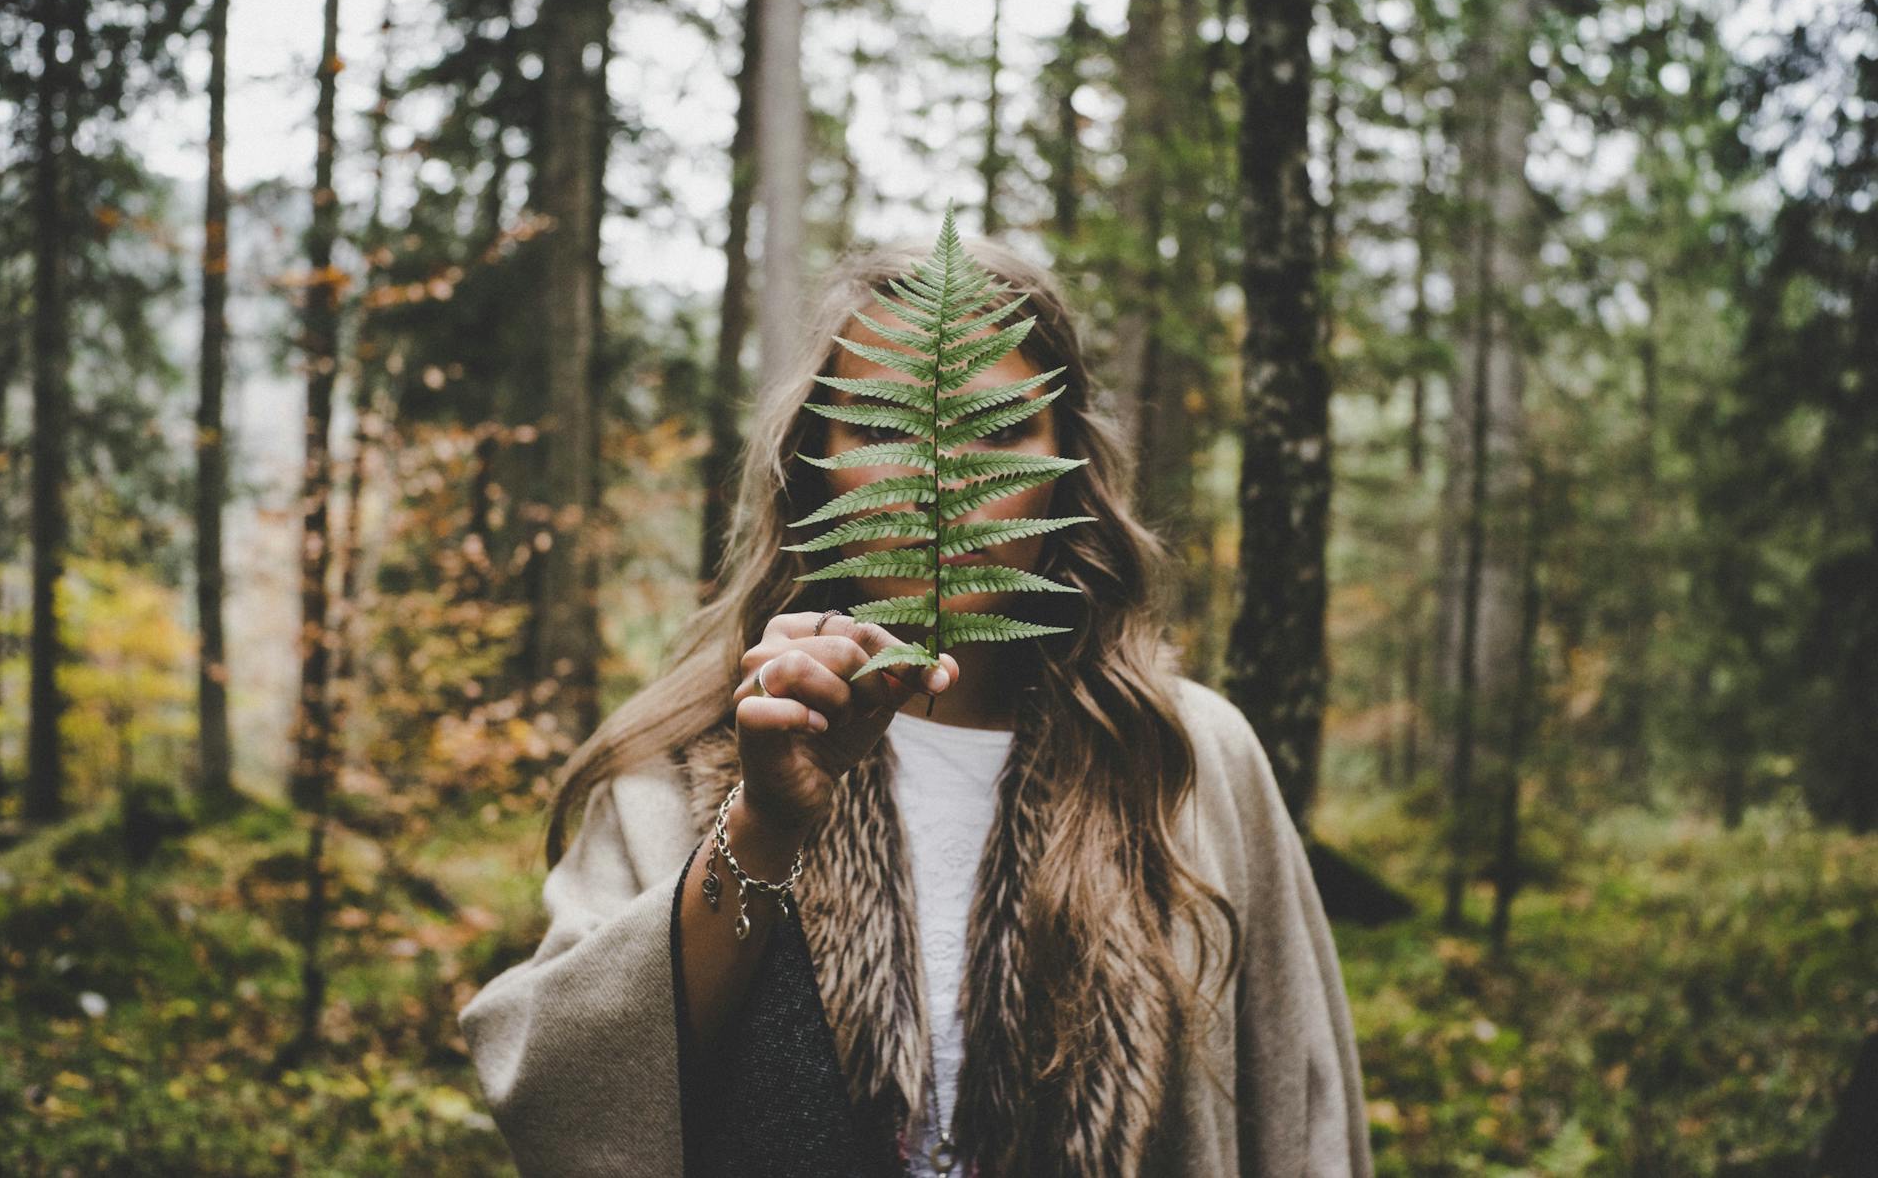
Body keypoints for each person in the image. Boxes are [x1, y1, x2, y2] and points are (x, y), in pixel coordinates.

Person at [458, 238, 1374, 1177]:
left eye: (1000, 428)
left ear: (1068, 462)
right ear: (814, 460)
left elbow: (1303, 1117)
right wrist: (764, 825)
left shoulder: (1185, 755)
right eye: (887, 426)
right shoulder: (695, 747)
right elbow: (561, 1087)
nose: (942, 475)